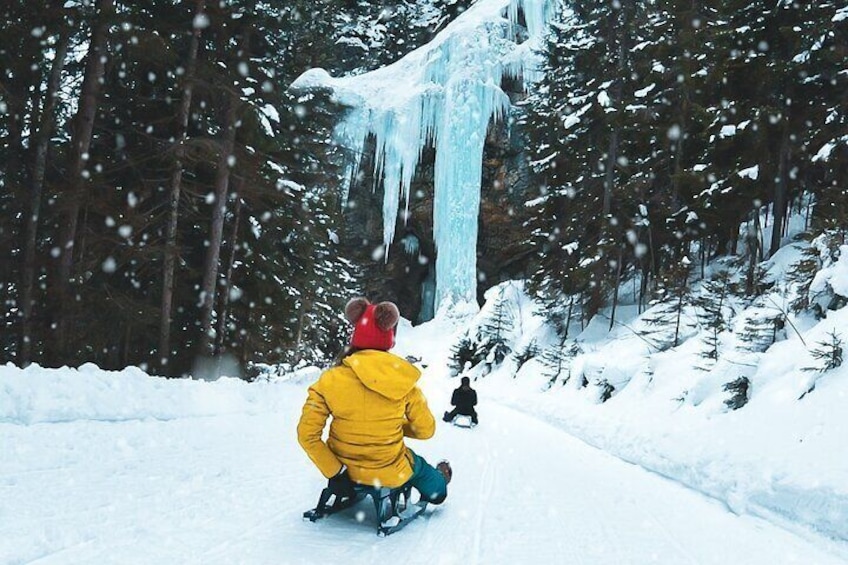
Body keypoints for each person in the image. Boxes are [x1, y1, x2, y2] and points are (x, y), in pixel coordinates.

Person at [297, 297, 452, 508]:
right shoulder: (404, 382)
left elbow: (306, 435)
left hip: (345, 468)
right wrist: (395, 425)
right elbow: (426, 430)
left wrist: (336, 471)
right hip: (389, 470)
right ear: (388, 338)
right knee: (421, 469)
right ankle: (439, 485)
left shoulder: (328, 380)